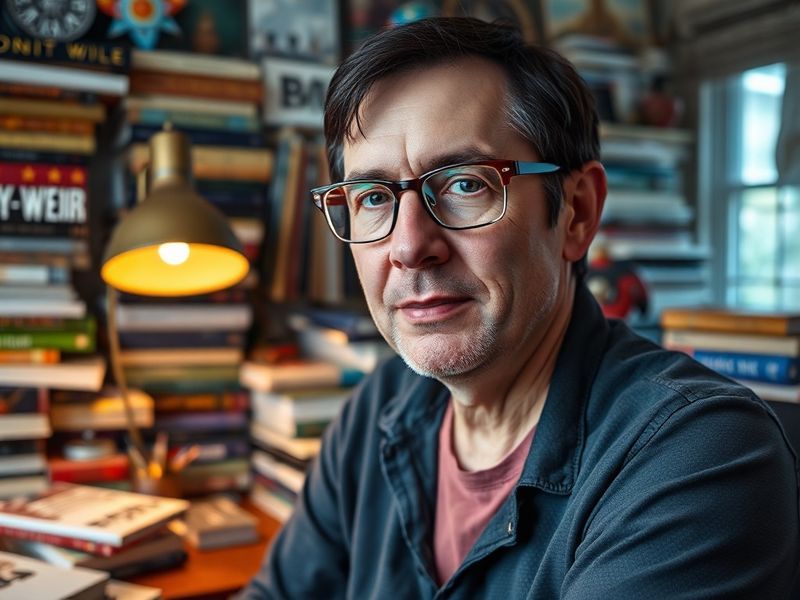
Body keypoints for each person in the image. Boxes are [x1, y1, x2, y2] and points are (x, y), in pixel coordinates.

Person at [239, 17, 799, 598]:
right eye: (373, 197)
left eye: (465, 184)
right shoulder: (379, 410)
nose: (408, 246)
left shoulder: (701, 456)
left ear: (577, 213)